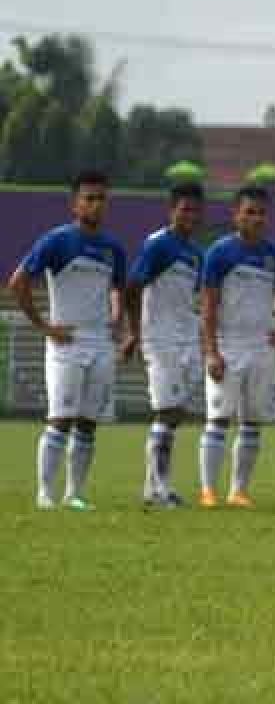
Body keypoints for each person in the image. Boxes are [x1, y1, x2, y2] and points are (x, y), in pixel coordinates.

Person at [10, 171, 126, 511]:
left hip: (101, 343)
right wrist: (45, 326)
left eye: (101, 198)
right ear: (75, 203)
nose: (96, 204)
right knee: (60, 418)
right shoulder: (57, 241)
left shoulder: (113, 248)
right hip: (66, 343)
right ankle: (45, 493)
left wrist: (119, 318)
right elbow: (18, 282)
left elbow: (118, 288)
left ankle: (74, 493)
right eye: (89, 198)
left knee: (88, 423)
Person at [199, 185, 275, 508]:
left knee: (252, 421)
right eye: (249, 212)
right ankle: (208, 490)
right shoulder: (220, 253)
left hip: (261, 347)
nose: (256, 218)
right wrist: (211, 350)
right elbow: (209, 306)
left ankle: (238, 490)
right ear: (235, 215)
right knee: (218, 419)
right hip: (228, 345)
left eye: (261, 213)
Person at [122, 183, 206, 508]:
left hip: (186, 339)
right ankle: (160, 489)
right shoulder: (158, 246)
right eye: (184, 209)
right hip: (160, 340)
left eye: (195, 210)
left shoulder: (196, 254)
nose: (190, 215)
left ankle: (152, 487)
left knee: (175, 414)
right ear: (172, 211)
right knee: (166, 411)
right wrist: (134, 333)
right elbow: (132, 287)